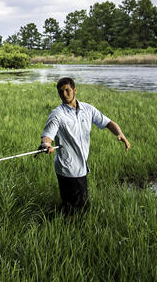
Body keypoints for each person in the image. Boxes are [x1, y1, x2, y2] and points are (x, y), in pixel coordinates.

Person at [40, 77, 131, 214]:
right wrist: (46, 145)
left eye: (67, 90)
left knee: (77, 205)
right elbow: (47, 136)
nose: (64, 94)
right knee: (76, 208)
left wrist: (120, 133)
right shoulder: (57, 114)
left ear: (75, 90)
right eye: (61, 92)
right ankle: (61, 226)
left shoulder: (87, 109)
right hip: (68, 168)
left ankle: (60, 221)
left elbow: (107, 122)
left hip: (81, 167)